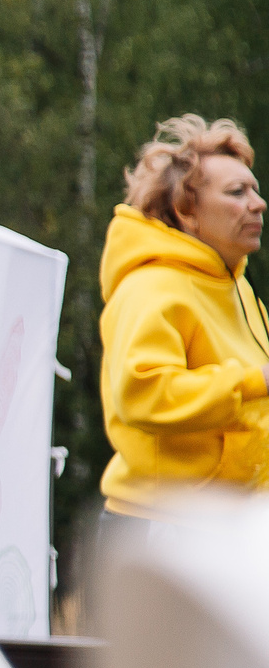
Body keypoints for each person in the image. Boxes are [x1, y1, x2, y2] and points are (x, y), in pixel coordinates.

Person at [96, 115, 269, 521]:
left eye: (255, 191)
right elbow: (144, 391)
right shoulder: (152, 287)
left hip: (229, 519)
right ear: (185, 209)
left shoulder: (236, 286)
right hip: (161, 524)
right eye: (237, 192)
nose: (258, 204)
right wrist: (254, 381)